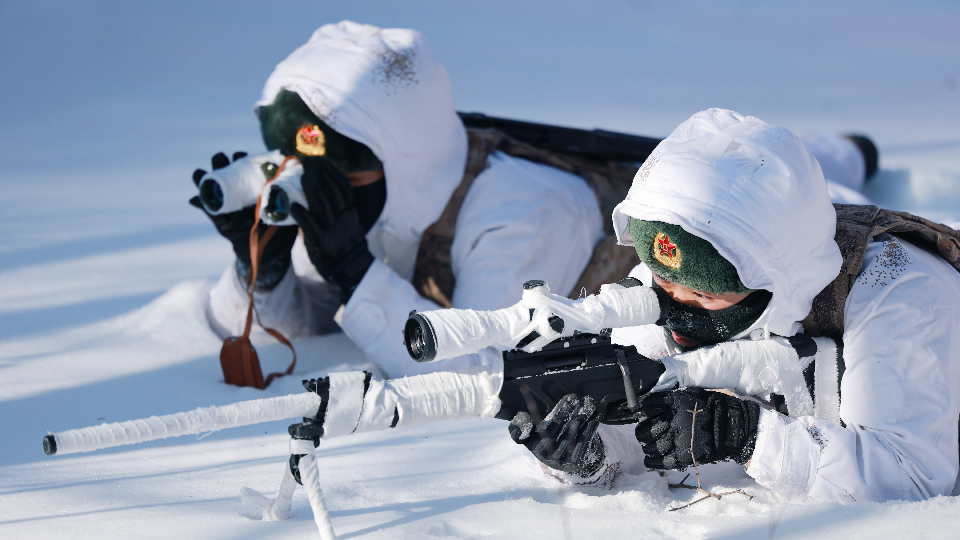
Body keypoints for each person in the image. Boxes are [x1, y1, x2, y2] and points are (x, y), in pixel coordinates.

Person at [509, 108, 960, 502]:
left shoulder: (900, 293)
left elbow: (913, 479)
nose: (676, 306)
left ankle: (850, 152)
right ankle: (847, 152)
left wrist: (749, 435)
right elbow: (640, 420)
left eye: (705, 295)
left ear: (770, 285)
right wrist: (587, 454)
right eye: (663, 279)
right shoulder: (682, 269)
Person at [192, 21, 605, 378]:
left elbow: (490, 376)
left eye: (343, 177)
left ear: (405, 165)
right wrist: (264, 269)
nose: (323, 193)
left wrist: (356, 273)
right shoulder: (372, 207)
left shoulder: (523, 214)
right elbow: (301, 330)